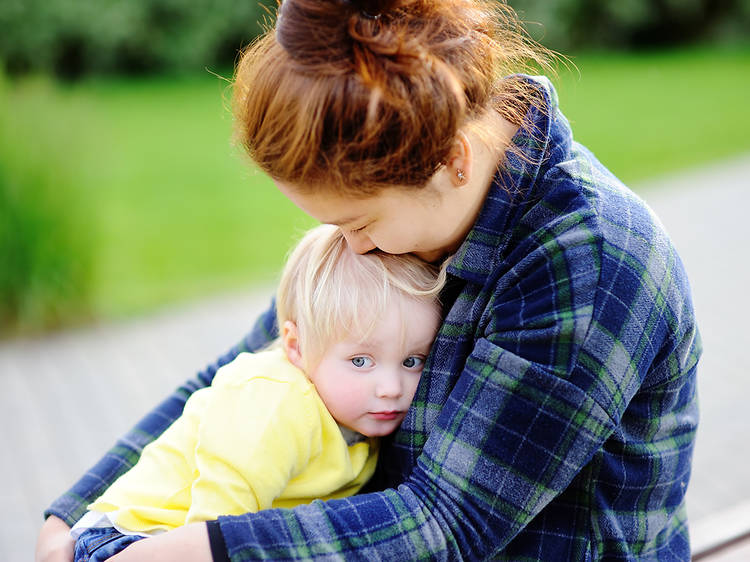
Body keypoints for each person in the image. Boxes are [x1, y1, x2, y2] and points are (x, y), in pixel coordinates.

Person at [36, 0, 701, 560]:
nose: (349, 246)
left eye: (359, 222)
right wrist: (76, 515)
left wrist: (202, 548)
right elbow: (259, 363)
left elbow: (448, 526)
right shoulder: (410, 211)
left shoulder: (589, 260)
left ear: (451, 160)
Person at [65, 223, 444, 561]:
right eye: (361, 361)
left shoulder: (356, 413)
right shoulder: (275, 401)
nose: (392, 388)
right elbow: (216, 523)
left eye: (412, 361)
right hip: (140, 537)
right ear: (296, 346)